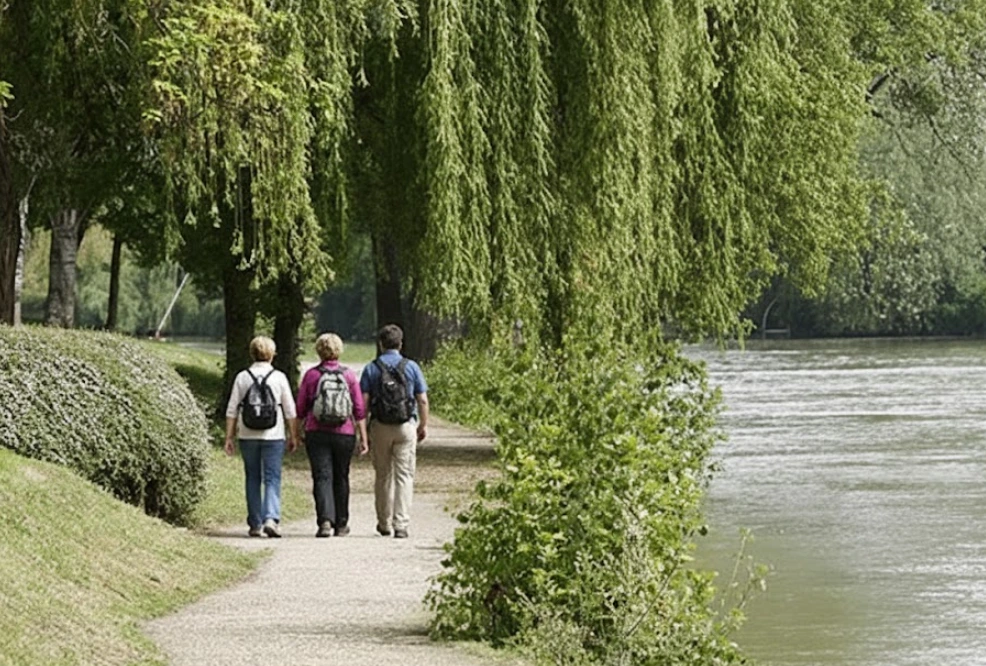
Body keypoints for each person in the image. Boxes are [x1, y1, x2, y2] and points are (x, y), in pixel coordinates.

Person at [224, 335, 298, 538]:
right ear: (272, 354)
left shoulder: (243, 376)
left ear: (252, 353)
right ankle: (271, 519)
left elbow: (231, 409)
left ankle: (255, 523)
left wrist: (229, 437)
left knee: (252, 477)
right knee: (272, 477)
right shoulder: (279, 377)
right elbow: (290, 410)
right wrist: (294, 435)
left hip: (247, 434)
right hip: (273, 434)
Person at [360, 324, 429, 539]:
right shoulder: (411, 367)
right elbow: (423, 399)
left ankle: (384, 522)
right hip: (405, 425)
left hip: (380, 426)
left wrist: (362, 431)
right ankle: (401, 524)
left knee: (382, 476)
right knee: (404, 476)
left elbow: (363, 403)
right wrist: (422, 425)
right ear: (401, 343)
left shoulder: (372, 368)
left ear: (381, 344)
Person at [296, 333, 368, 537]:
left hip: (316, 432)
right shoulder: (349, 375)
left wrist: (295, 432)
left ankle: (325, 521)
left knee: (322, 476)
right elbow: (359, 409)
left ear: (319, 350)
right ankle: (342, 523)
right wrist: (363, 437)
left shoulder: (311, 375)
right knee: (342, 476)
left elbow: (300, 408)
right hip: (344, 433)